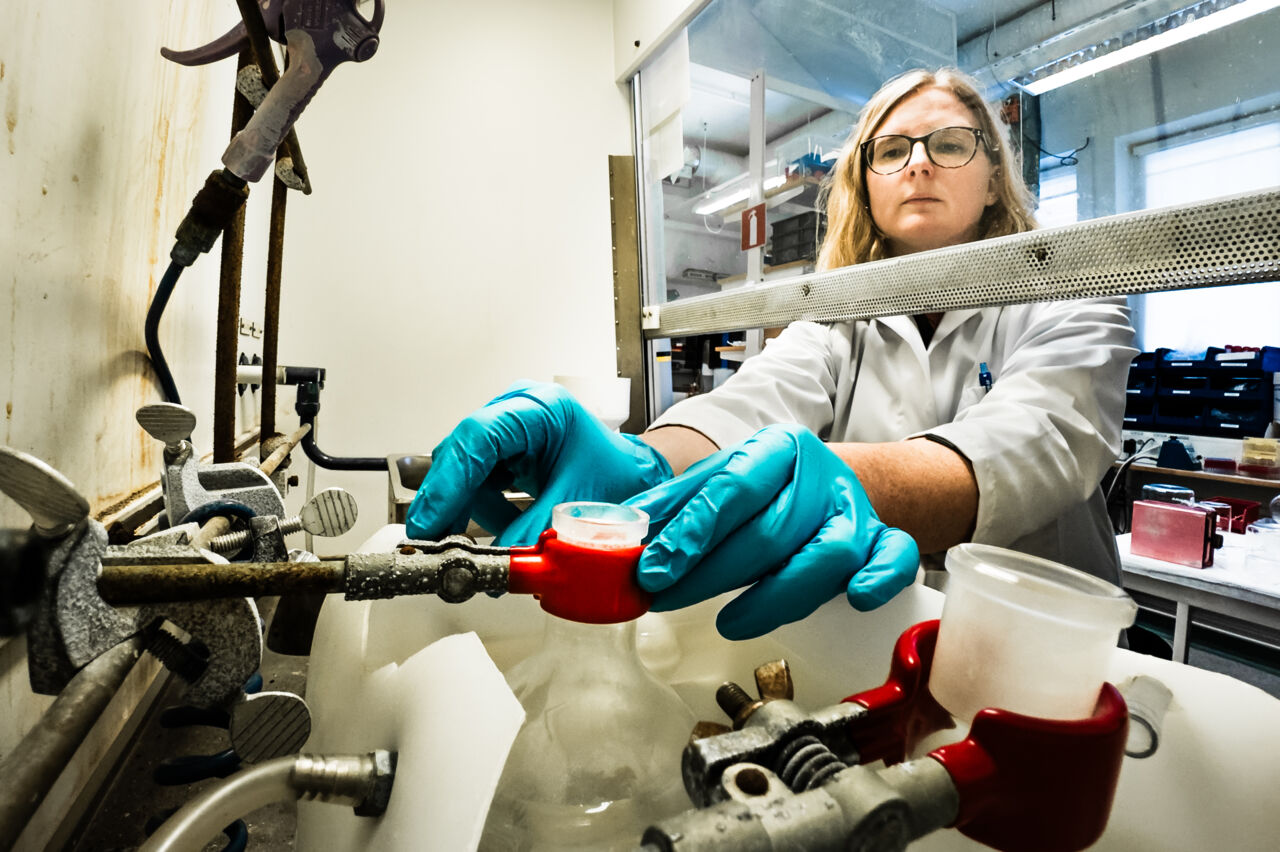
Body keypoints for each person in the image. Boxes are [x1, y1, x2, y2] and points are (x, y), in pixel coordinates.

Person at [407, 67, 1136, 641]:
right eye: (891, 150)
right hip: (881, 634)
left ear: (991, 178)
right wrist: (648, 462)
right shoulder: (839, 317)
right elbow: (751, 402)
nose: (918, 165)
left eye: (947, 144)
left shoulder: (1073, 292)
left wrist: (840, 479)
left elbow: (1032, 446)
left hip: (1053, 654)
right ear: (866, 184)